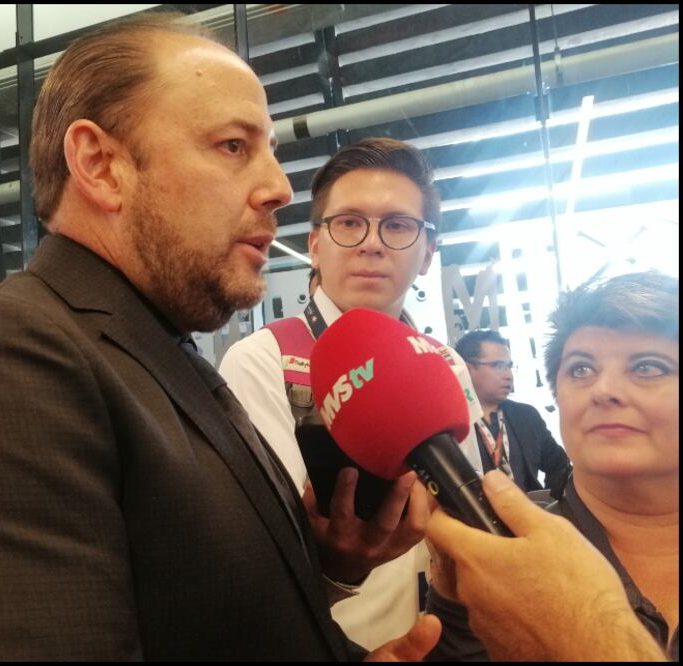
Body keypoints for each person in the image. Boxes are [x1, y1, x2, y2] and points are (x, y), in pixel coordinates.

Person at [0, 15, 439, 661]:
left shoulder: (162, 358)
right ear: (101, 165)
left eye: (272, 152)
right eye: (234, 145)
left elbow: (203, 614)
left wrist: (333, 568)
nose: (279, 188)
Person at [219, 137, 475, 649]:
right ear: (316, 245)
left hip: (449, 637)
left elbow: (463, 521)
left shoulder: (445, 363)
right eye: (350, 222)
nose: (372, 243)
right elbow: (270, 548)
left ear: (428, 253)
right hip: (325, 642)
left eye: (397, 226)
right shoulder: (265, 358)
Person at [425, 271, 677, 661]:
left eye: (647, 367)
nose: (604, 390)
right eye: (581, 369)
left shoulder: (522, 418)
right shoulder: (496, 554)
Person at [454, 328, 571, 493]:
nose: (508, 375)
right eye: (498, 366)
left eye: (509, 366)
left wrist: (550, 502)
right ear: (467, 369)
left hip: (526, 508)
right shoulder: (450, 423)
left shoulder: (526, 416)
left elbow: (559, 465)